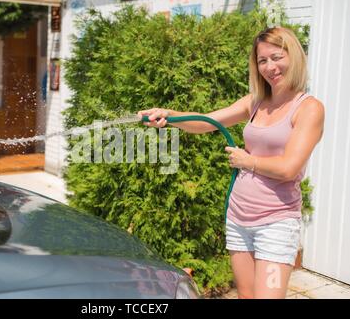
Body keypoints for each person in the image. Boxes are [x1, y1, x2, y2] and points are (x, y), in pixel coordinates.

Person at [137, 27, 325, 299]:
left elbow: (289, 168)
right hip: (238, 218)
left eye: (276, 57)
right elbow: (206, 122)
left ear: (293, 56)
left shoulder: (309, 108)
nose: (270, 67)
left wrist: (248, 161)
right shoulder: (256, 102)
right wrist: (170, 115)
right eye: (262, 61)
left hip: (276, 223)